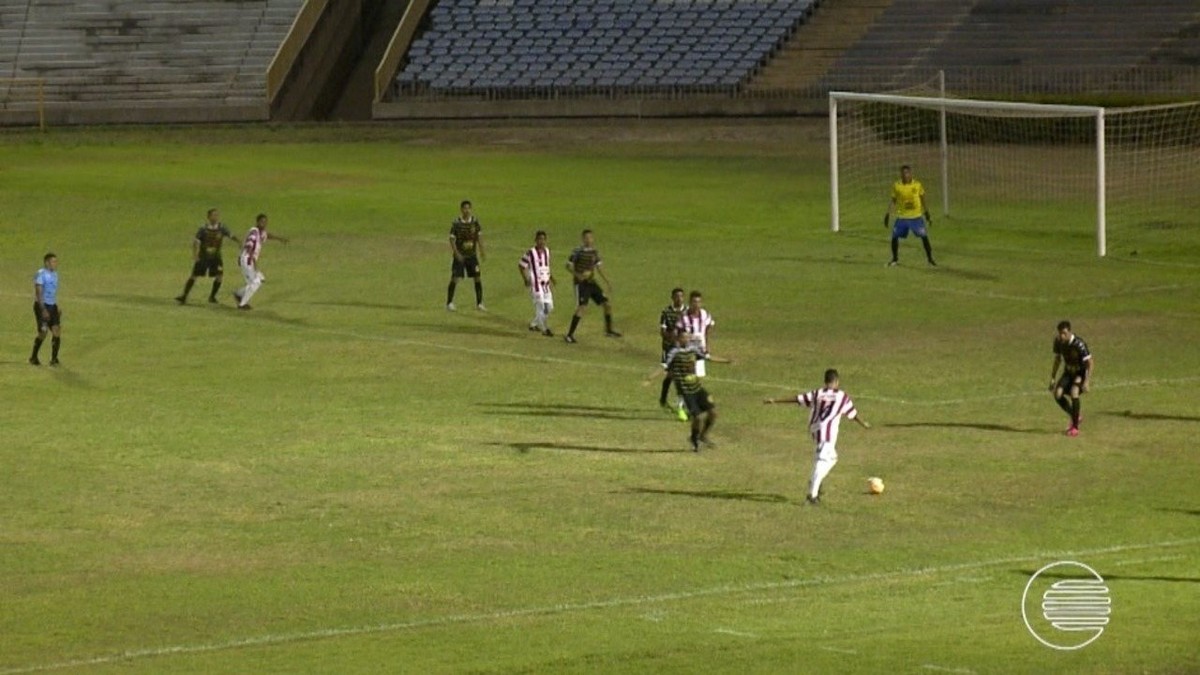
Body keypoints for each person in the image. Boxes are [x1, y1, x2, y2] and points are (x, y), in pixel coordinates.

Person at [764, 369, 871, 505]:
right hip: (828, 433)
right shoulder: (842, 396)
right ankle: (812, 494)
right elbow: (852, 413)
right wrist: (863, 423)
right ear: (837, 381)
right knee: (824, 461)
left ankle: (816, 482)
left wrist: (775, 400)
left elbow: (798, 399)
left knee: (827, 459)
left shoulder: (818, 393)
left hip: (816, 430)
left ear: (825, 381)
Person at [663, 330, 717, 451]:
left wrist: (726, 361)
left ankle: (703, 435)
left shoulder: (693, 350)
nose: (686, 339)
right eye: (683, 337)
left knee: (713, 413)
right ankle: (694, 438)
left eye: (687, 337)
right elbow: (665, 368)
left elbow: (706, 357)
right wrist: (650, 378)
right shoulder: (674, 353)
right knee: (698, 417)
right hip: (687, 391)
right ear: (678, 339)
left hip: (697, 388)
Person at [563, 229, 620, 343]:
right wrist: (578, 275)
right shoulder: (577, 251)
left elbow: (599, 267)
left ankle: (609, 330)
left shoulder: (594, 252)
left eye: (590, 238)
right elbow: (568, 266)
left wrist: (607, 281)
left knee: (607, 304)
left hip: (591, 282)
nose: (589, 240)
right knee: (582, 307)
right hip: (581, 284)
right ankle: (569, 335)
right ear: (583, 239)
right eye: (587, 238)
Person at [175, 208, 238, 304]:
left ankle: (212, 297)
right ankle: (184, 296)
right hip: (203, 257)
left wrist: (239, 242)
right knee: (194, 275)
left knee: (219, 276)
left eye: (217, 215)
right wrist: (195, 254)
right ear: (208, 217)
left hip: (216, 257)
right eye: (213, 215)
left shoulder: (222, 228)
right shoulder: (203, 229)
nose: (215, 217)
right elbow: (196, 242)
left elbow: (231, 235)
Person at [233, 214, 289, 310]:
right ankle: (242, 304)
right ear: (257, 222)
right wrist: (254, 264)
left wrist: (280, 239)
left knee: (259, 279)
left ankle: (239, 294)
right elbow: (249, 247)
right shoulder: (254, 233)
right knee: (256, 282)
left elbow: (267, 235)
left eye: (265, 222)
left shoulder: (261, 233)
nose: (264, 224)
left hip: (249, 260)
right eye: (262, 222)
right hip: (247, 260)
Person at [884, 164, 936, 267]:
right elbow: (893, 200)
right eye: (903, 173)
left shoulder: (917, 185)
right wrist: (887, 214)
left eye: (907, 173)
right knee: (894, 237)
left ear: (911, 174)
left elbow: (923, 199)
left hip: (916, 217)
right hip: (902, 217)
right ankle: (894, 259)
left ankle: (930, 259)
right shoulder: (897, 185)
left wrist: (927, 214)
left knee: (924, 236)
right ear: (901, 174)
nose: (906, 175)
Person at [1049, 320, 1093, 437]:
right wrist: (1053, 377)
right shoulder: (1058, 342)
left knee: (1074, 392)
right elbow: (1057, 360)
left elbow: (1090, 362)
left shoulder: (1078, 344)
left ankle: (1075, 428)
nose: (1062, 336)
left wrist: (1087, 381)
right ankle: (1075, 416)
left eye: (1064, 333)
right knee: (1058, 394)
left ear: (1069, 332)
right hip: (1068, 372)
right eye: (1060, 333)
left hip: (1080, 372)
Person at [447, 200, 485, 312]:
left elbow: (479, 236)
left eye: (468, 208)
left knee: (477, 277)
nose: (466, 210)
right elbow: (452, 239)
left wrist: (481, 250)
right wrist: (456, 253)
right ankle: (449, 303)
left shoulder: (475, 222)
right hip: (460, 256)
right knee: (455, 278)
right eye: (464, 208)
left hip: (472, 256)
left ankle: (479, 303)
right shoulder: (456, 223)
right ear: (461, 209)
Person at [518, 230, 555, 336]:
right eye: (539, 239)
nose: (541, 241)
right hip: (536, 285)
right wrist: (526, 279)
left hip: (545, 285)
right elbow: (521, 265)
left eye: (543, 239)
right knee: (541, 306)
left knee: (549, 307)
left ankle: (534, 324)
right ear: (536, 240)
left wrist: (551, 278)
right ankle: (544, 329)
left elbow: (546, 267)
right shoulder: (530, 253)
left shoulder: (547, 251)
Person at [658, 288, 688, 418]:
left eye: (681, 296)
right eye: (676, 296)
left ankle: (666, 400)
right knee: (673, 375)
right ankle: (676, 403)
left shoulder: (687, 311)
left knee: (676, 375)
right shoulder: (666, 312)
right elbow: (662, 332)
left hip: (684, 348)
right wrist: (674, 339)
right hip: (670, 348)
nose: (679, 299)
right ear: (672, 298)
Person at [30, 252, 62, 366]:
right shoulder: (41, 274)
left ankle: (54, 359)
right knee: (43, 332)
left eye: (56, 261)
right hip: (41, 306)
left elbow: (52, 292)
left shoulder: (55, 275)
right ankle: (33, 357)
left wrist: (56, 307)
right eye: (53, 261)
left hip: (52, 306)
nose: (55, 263)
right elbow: (39, 293)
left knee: (56, 331)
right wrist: (43, 309)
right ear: (47, 262)